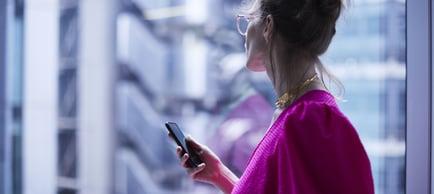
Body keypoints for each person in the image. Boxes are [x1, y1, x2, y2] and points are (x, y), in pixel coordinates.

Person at [168, 0, 375, 193]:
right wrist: (219, 175)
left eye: (249, 20)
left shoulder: (308, 121)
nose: (245, 33)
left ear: (267, 26)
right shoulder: (297, 113)